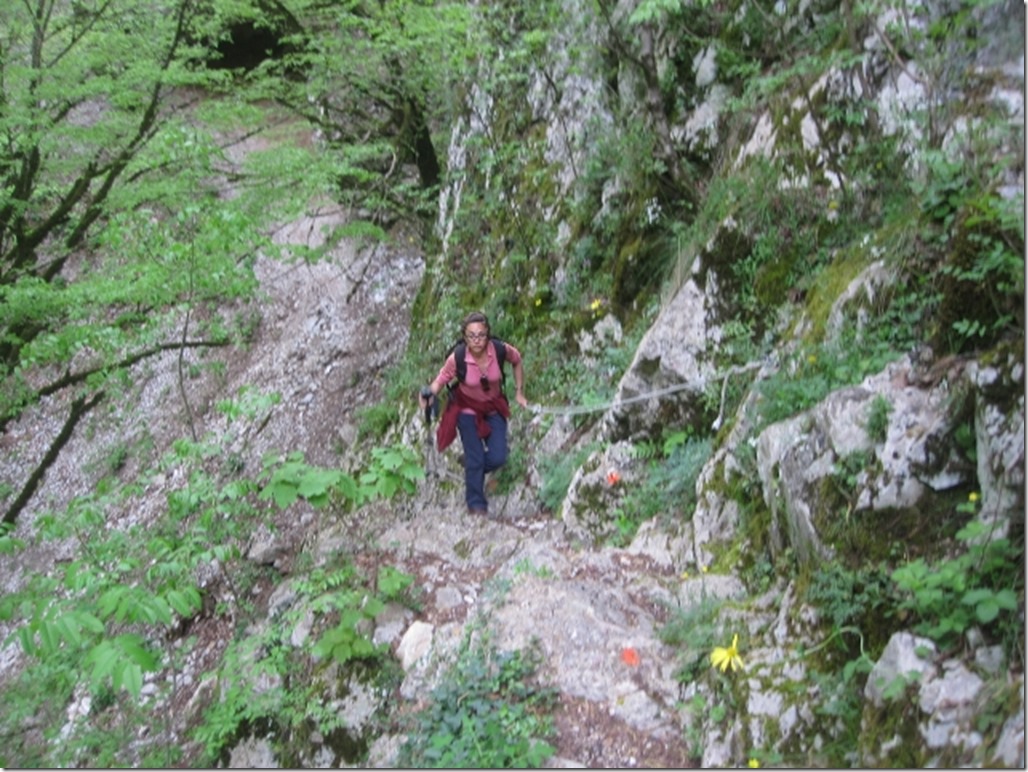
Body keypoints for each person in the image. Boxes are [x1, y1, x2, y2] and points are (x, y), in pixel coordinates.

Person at [419, 311, 528, 516]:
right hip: (466, 408)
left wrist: (519, 393)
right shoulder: (458, 357)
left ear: (488, 334)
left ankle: (472, 466)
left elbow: (517, 360)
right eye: (471, 335)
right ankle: (476, 505)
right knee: (476, 457)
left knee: (498, 457)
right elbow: (441, 379)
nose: (477, 340)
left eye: (481, 335)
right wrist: (429, 393)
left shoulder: (499, 349)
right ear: (465, 337)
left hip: (494, 406)